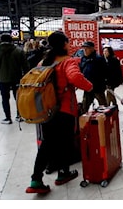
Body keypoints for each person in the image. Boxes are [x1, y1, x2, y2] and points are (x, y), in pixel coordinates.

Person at [25, 31, 93, 194]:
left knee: (47, 143)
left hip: (46, 109)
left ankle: (36, 179)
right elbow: (75, 77)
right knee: (66, 141)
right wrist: (90, 86)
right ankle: (63, 173)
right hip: (64, 110)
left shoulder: (44, 61)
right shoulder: (67, 61)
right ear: (64, 44)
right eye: (68, 42)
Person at [0, 33, 30, 124]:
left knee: (5, 98)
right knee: (18, 98)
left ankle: (7, 118)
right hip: (17, 78)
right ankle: (19, 115)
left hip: (2, 79)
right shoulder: (18, 51)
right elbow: (25, 66)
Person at [79, 41, 108, 112]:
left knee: (103, 107)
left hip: (98, 88)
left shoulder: (99, 59)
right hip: (87, 88)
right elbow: (81, 70)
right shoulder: (83, 59)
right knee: (84, 107)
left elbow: (105, 72)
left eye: (87, 48)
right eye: (84, 48)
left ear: (92, 49)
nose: (84, 50)